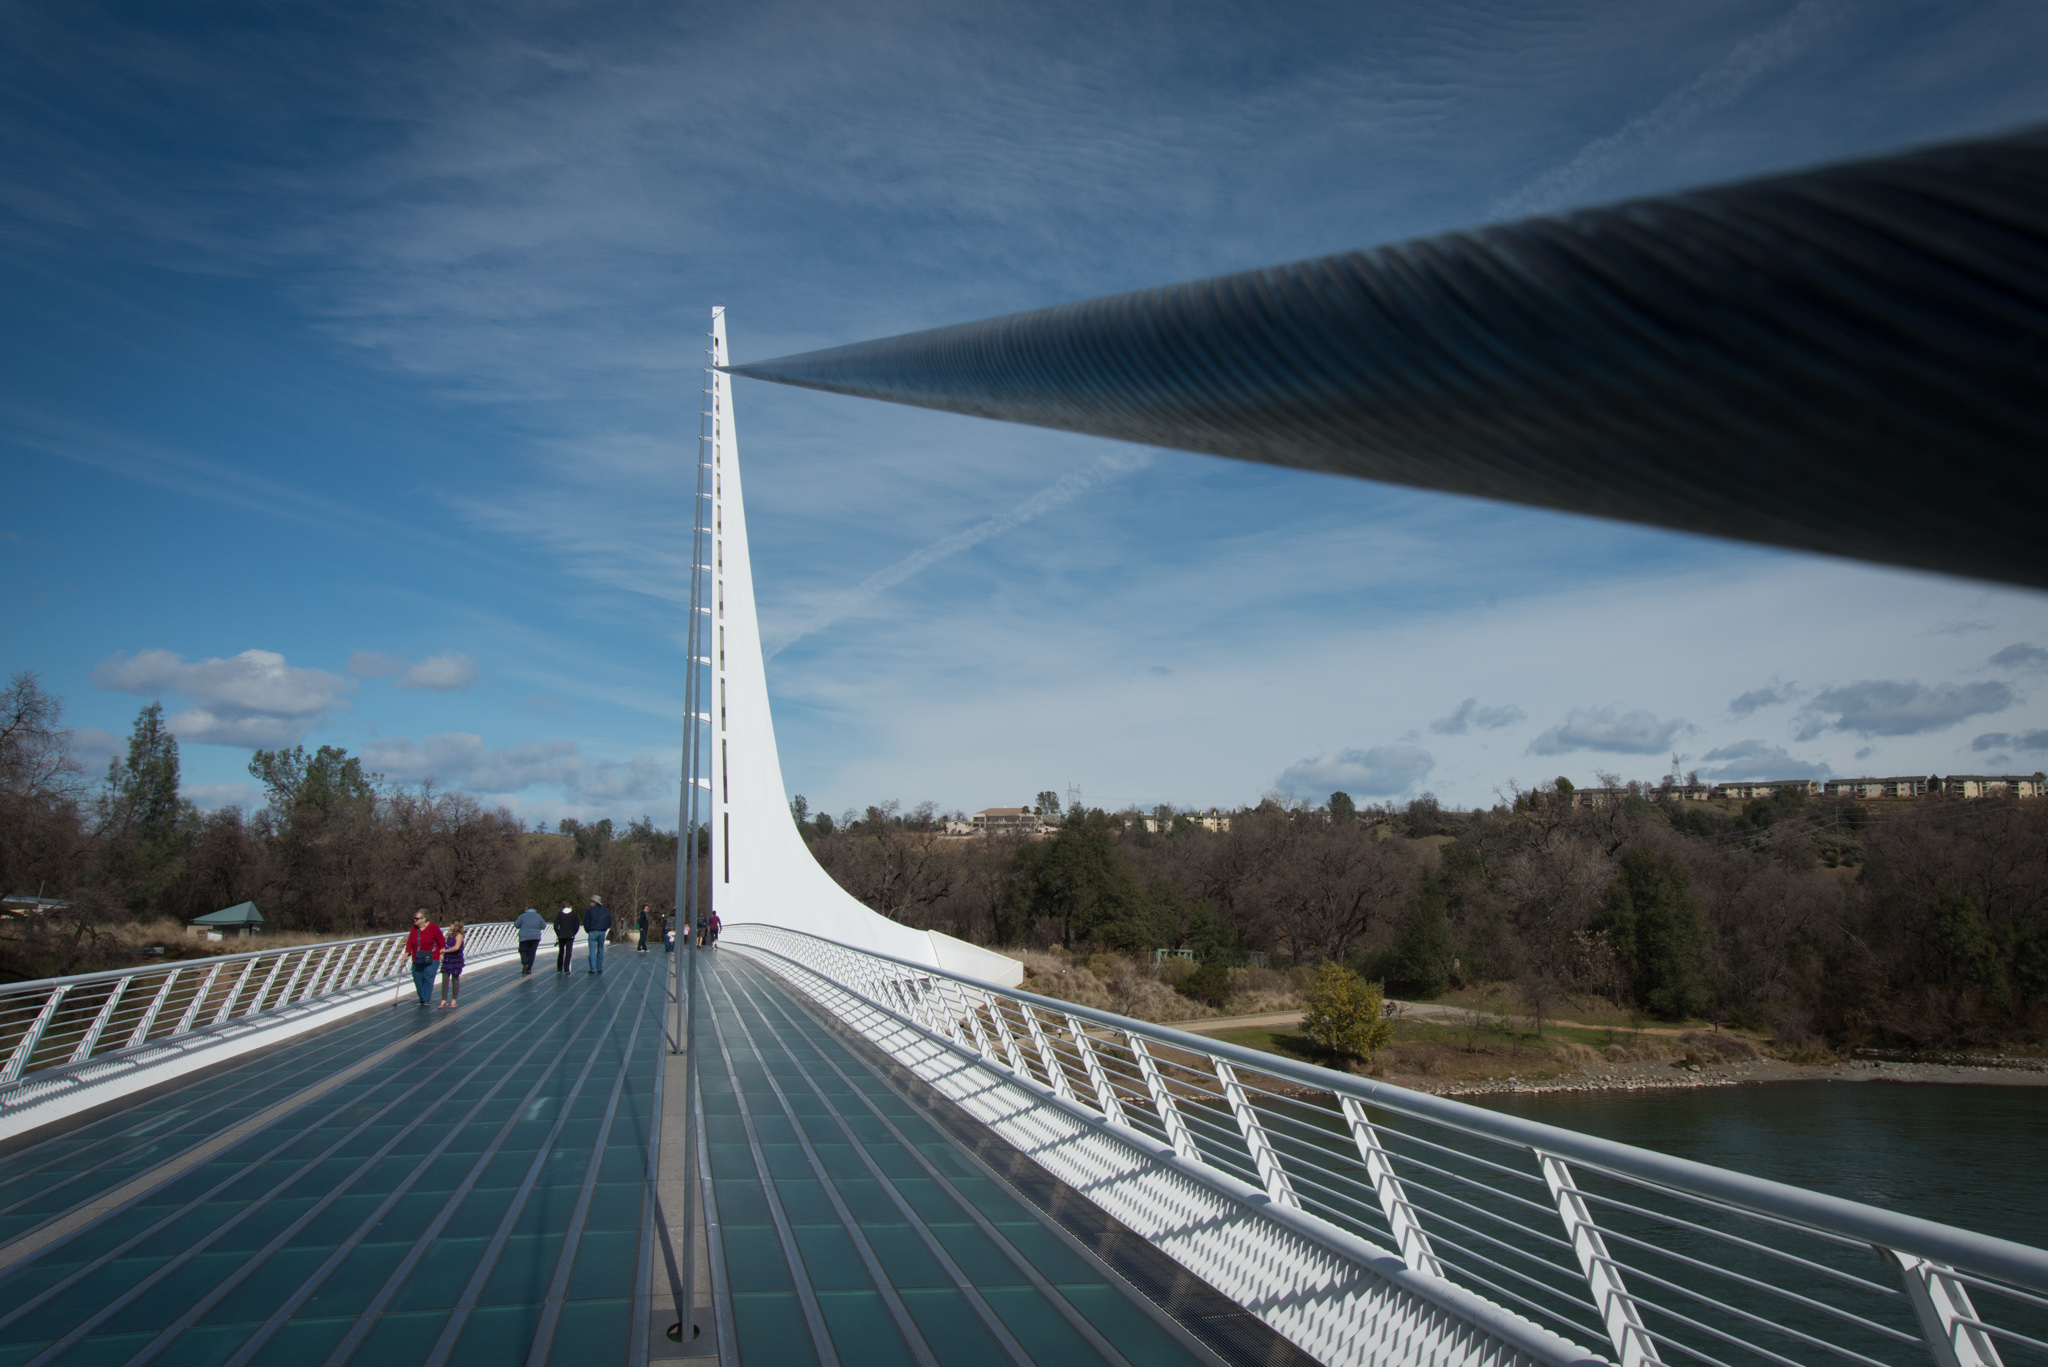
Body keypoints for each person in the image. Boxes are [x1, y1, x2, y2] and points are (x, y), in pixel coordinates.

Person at [406, 909, 444, 1007]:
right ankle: (421, 998)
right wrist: (406, 953)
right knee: (417, 977)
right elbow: (410, 942)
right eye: (414, 919)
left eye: (417, 919)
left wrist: (442, 953)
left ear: (424, 918)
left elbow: (441, 940)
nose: (415, 920)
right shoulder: (414, 929)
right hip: (418, 957)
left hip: (432, 957)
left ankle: (426, 999)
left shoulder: (433, 928)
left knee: (428, 977)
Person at [439, 921, 467, 1007]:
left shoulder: (459, 935)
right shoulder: (450, 935)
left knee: (455, 979)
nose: (449, 926)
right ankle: (443, 1000)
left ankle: (453, 1000)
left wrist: (445, 951)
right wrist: (442, 954)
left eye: (451, 925)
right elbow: (446, 945)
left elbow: (456, 947)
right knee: (445, 979)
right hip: (448, 959)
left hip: (455, 959)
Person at [514, 905, 546, 975]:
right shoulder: (538, 916)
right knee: (532, 953)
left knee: (523, 950)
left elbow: (516, 925)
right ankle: (528, 968)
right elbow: (543, 926)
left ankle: (525, 963)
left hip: (524, 937)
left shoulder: (522, 916)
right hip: (535, 937)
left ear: (526, 908)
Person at [584, 895, 612, 974]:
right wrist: (605, 928)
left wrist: (588, 930)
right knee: (600, 950)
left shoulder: (589, 911)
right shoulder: (606, 911)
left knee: (592, 951)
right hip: (602, 932)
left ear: (594, 902)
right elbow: (609, 922)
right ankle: (599, 967)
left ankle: (592, 969)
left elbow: (586, 922)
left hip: (593, 931)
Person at [554, 903, 579, 974]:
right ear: (570, 906)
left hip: (561, 936)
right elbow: (576, 926)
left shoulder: (560, 914)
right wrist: (573, 933)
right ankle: (566, 968)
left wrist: (558, 933)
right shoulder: (573, 915)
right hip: (570, 936)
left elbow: (555, 925)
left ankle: (559, 968)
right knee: (568, 952)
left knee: (561, 952)